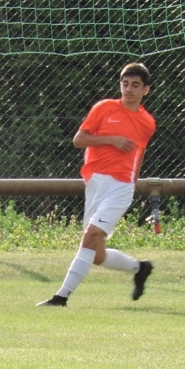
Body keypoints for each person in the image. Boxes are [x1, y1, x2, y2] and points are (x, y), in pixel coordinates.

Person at [37, 62, 156, 308]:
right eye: (125, 84)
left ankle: (61, 297)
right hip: (95, 184)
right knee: (97, 255)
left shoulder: (147, 122)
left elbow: (139, 153)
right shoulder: (104, 108)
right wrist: (111, 139)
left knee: (90, 237)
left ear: (146, 90)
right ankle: (140, 267)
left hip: (120, 187)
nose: (129, 89)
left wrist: (131, 184)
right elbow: (79, 140)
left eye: (135, 85)